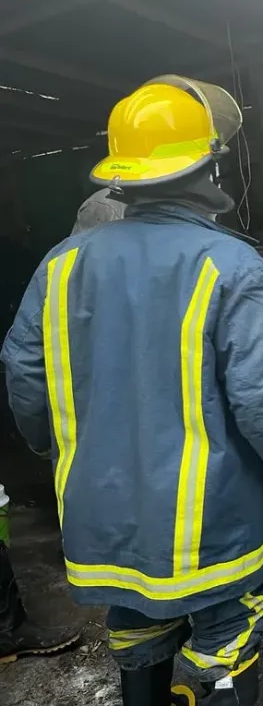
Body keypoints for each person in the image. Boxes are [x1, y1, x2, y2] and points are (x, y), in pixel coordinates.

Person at [1, 75, 263, 706]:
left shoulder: (61, 264)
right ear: (209, 163)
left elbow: (24, 375)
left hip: (105, 527)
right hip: (212, 529)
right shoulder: (231, 265)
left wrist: (56, 453)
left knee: (138, 632)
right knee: (226, 648)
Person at [0, 185, 129, 664]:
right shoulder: (168, 265)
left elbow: (21, 364)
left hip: (80, 440)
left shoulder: (53, 270)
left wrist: (38, 435)